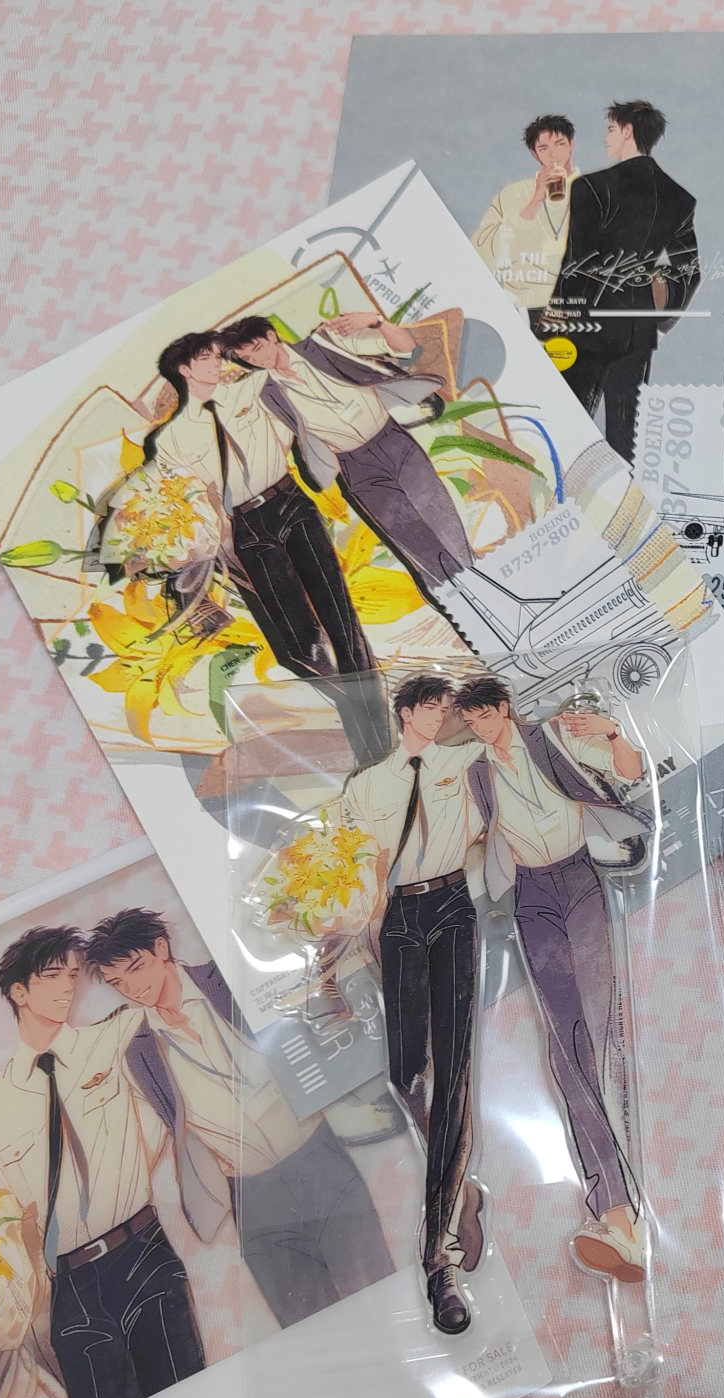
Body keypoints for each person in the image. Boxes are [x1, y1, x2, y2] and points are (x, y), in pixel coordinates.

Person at [84, 908, 395, 1325]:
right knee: (310, 1327)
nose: (133, 988)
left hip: (319, 1158)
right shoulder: (138, 1050)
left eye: (136, 968)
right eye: (118, 983)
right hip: (252, 1196)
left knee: (379, 1293)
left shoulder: (229, 978)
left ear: (161, 948)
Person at [0, 928, 203, 1398]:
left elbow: (182, 1010)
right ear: (19, 992)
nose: (67, 986)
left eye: (71, 975)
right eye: (52, 976)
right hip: (69, 1288)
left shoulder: (116, 1037)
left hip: (143, 1253)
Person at [453, 677, 653, 1282]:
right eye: (472, 722)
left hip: (579, 877)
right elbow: (459, 835)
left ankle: (626, 1215)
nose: (481, 729)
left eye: (485, 717)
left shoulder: (554, 738)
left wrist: (612, 731)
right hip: (530, 896)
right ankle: (616, 1214)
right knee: (565, 1047)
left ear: (503, 708)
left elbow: (632, 771)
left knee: (602, 1029)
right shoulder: (475, 774)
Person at [145, 330, 392, 765]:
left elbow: (290, 363)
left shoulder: (249, 388)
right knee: (300, 645)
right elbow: (179, 502)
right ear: (184, 370)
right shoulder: (170, 441)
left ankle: (379, 749)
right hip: (247, 528)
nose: (217, 363)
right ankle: (363, 716)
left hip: (291, 503)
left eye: (218, 356)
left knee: (340, 619)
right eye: (206, 358)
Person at [339, 675, 488, 1334]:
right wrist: (361, 931)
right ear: (405, 712)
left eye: (444, 707)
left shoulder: (464, 760)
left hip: (453, 905)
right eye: (429, 706)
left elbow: (504, 776)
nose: (439, 715)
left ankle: (439, 1262)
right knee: (407, 1074)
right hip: (397, 917)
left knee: (452, 1072)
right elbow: (361, 863)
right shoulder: (367, 785)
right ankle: (462, 1187)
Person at [218, 312, 473, 603]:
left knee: (440, 515)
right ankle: (457, 598)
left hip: (393, 441)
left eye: (258, 348)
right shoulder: (266, 394)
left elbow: (405, 346)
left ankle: (478, 575)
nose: (257, 359)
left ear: (271, 336)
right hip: (355, 466)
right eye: (247, 358)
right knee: (406, 534)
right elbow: (271, 438)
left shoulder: (325, 342)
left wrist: (377, 321)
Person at [542, 101, 699, 462]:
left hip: (587, 328)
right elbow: (691, 271)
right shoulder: (679, 197)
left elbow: (574, 267)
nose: (607, 137)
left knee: (566, 437)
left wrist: (550, 329)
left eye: (612, 129)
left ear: (628, 131)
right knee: (626, 446)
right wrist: (660, 317)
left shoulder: (592, 187)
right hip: (637, 332)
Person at [471, 114, 581, 313]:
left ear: (571, 144)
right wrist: (535, 201)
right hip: (524, 306)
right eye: (544, 148)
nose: (553, 154)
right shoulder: (512, 194)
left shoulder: (597, 192)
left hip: (579, 303)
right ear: (535, 154)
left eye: (560, 144)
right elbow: (482, 253)